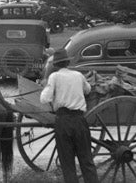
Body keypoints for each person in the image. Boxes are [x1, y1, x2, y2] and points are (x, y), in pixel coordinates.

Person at [40, 49, 99, 183]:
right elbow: (88, 90)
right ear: (67, 62)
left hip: (63, 121)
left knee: (67, 163)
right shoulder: (78, 75)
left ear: (55, 65)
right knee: (87, 161)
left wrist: (47, 89)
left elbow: (44, 98)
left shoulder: (54, 77)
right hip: (79, 121)